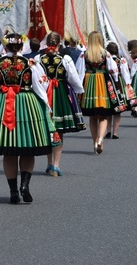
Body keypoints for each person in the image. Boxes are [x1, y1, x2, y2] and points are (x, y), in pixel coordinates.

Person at [0, 32, 56, 204]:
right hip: (27, 104)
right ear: (21, 46)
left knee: (9, 150)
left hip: (1, 103)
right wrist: (46, 107)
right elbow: (41, 86)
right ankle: (25, 185)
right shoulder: (31, 63)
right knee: (28, 147)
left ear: (6, 46)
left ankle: (13, 191)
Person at [40, 32, 85, 176]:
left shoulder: (38, 58)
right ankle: (56, 164)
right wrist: (79, 89)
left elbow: (37, 78)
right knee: (59, 129)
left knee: (48, 129)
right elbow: (72, 77)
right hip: (60, 93)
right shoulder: (64, 58)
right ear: (59, 43)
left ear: (47, 43)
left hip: (45, 92)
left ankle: (48, 163)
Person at [80, 31, 122, 154]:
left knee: (93, 117)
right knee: (103, 115)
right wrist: (114, 81)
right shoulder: (106, 54)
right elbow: (113, 69)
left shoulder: (85, 54)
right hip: (102, 82)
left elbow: (80, 71)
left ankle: (94, 142)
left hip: (89, 83)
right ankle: (100, 139)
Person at [105, 41, 134, 139]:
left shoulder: (105, 59)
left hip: (107, 83)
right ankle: (115, 132)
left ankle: (108, 130)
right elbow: (125, 73)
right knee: (118, 108)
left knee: (109, 108)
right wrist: (128, 85)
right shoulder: (121, 60)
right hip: (118, 83)